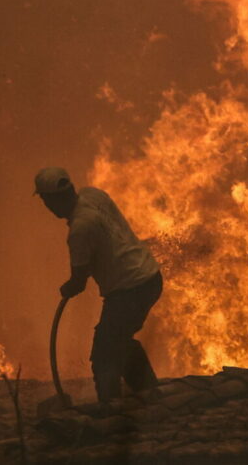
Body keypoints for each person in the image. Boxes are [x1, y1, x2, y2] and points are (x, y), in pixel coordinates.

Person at [35, 166, 162, 404]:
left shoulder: (80, 230)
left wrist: (68, 287)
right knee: (119, 339)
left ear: (51, 200)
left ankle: (110, 406)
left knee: (105, 353)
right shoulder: (93, 195)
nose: (45, 206)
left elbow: (78, 282)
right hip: (149, 277)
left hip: (130, 289)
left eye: (44, 200)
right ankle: (148, 393)